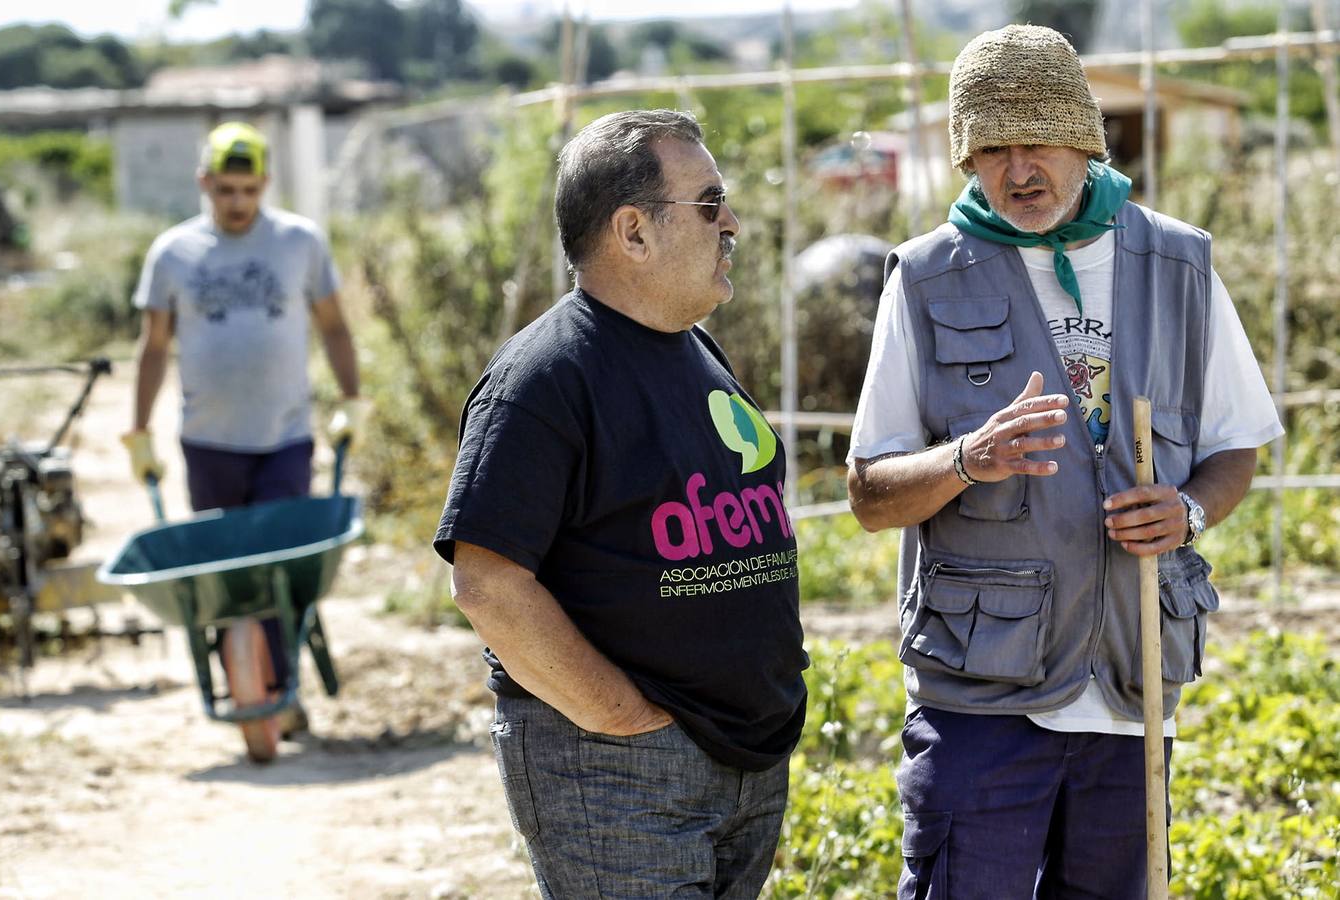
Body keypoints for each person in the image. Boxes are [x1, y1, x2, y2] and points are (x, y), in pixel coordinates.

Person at [846, 25, 1283, 898]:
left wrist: (1189, 509)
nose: (1017, 172)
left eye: (1036, 142)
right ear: (966, 159)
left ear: (1084, 139)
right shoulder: (928, 278)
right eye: (992, 150)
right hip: (981, 698)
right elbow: (869, 493)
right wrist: (968, 458)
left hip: (1132, 681)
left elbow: (1237, 442)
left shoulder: (1178, 264)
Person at [434, 109, 808, 898]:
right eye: (710, 203)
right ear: (633, 231)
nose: (732, 223)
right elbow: (487, 583)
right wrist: (621, 718)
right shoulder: (544, 378)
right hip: (623, 771)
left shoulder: (695, 349)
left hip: (740, 761)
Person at [122, 121, 362, 735]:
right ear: (204, 181)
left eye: (248, 190)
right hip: (208, 441)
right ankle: (250, 688)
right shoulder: (173, 252)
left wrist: (352, 402)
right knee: (227, 578)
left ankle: (281, 688)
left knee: (278, 568)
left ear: (264, 184)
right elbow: (153, 348)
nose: (237, 203)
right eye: (225, 189)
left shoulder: (299, 242)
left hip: (284, 435)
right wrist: (138, 430)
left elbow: (334, 327)